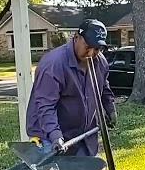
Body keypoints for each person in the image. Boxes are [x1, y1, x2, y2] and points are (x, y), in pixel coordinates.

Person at [25, 19, 117, 157]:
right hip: (50, 138)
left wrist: (110, 108)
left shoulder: (100, 62)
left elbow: (103, 86)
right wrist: (55, 136)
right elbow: (45, 106)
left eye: (97, 48)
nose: (91, 53)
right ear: (76, 38)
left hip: (83, 136)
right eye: (88, 47)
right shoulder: (53, 65)